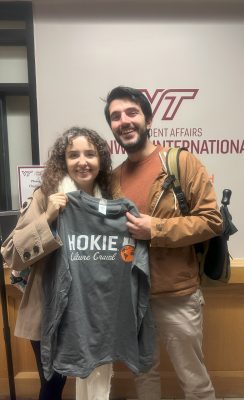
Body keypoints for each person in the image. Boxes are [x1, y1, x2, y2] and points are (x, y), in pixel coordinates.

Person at [104, 86, 223, 400]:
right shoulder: (113, 179)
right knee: (144, 377)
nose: (124, 121)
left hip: (177, 296)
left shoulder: (180, 162)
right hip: (132, 299)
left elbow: (212, 220)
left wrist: (154, 228)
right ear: (112, 128)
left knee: (194, 381)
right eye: (116, 116)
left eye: (131, 112)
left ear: (148, 119)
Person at [1, 126, 113, 400]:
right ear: (63, 161)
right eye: (73, 155)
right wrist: (48, 216)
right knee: (52, 385)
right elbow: (12, 253)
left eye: (90, 153)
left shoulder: (110, 201)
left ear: (101, 160)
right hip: (48, 310)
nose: (82, 161)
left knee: (94, 376)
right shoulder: (45, 196)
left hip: (92, 311)